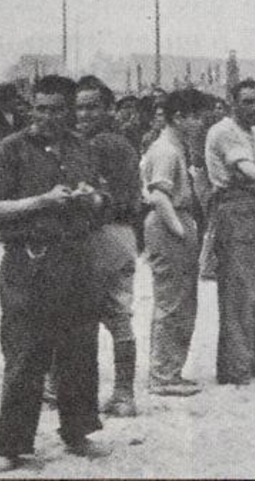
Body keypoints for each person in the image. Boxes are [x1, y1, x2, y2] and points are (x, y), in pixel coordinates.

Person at [0, 75, 111, 472]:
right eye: (40, 108)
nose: (47, 116)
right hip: (28, 263)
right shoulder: (11, 150)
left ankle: (77, 431)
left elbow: (102, 194)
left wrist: (92, 196)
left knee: (79, 349)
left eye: (56, 109)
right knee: (25, 353)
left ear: (69, 110)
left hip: (75, 259)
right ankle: (11, 445)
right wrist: (41, 201)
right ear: (31, 106)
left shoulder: (82, 147)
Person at [75, 76, 144, 417]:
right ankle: (124, 393)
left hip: (103, 232)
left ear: (108, 109)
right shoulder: (124, 143)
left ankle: (85, 393)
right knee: (120, 314)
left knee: (83, 314)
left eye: (92, 107)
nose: (84, 114)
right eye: (80, 107)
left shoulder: (97, 145)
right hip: (123, 234)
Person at [205, 78, 255, 385]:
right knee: (238, 290)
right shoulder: (224, 131)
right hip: (235, 207)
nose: (253, 107)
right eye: (246, 101)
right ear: (233, 102)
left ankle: (249, 361)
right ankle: (235, 366)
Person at [141, 88, 207, 397]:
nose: (199, 123)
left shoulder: (174, 146)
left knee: (180, 300)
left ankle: (169, 370)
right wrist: (180, 231)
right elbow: (158, 195)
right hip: (170, 223)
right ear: (179, 117)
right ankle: (163, 374)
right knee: (172, 301)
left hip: (175, 222)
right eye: (196, 117)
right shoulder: (166, 150)